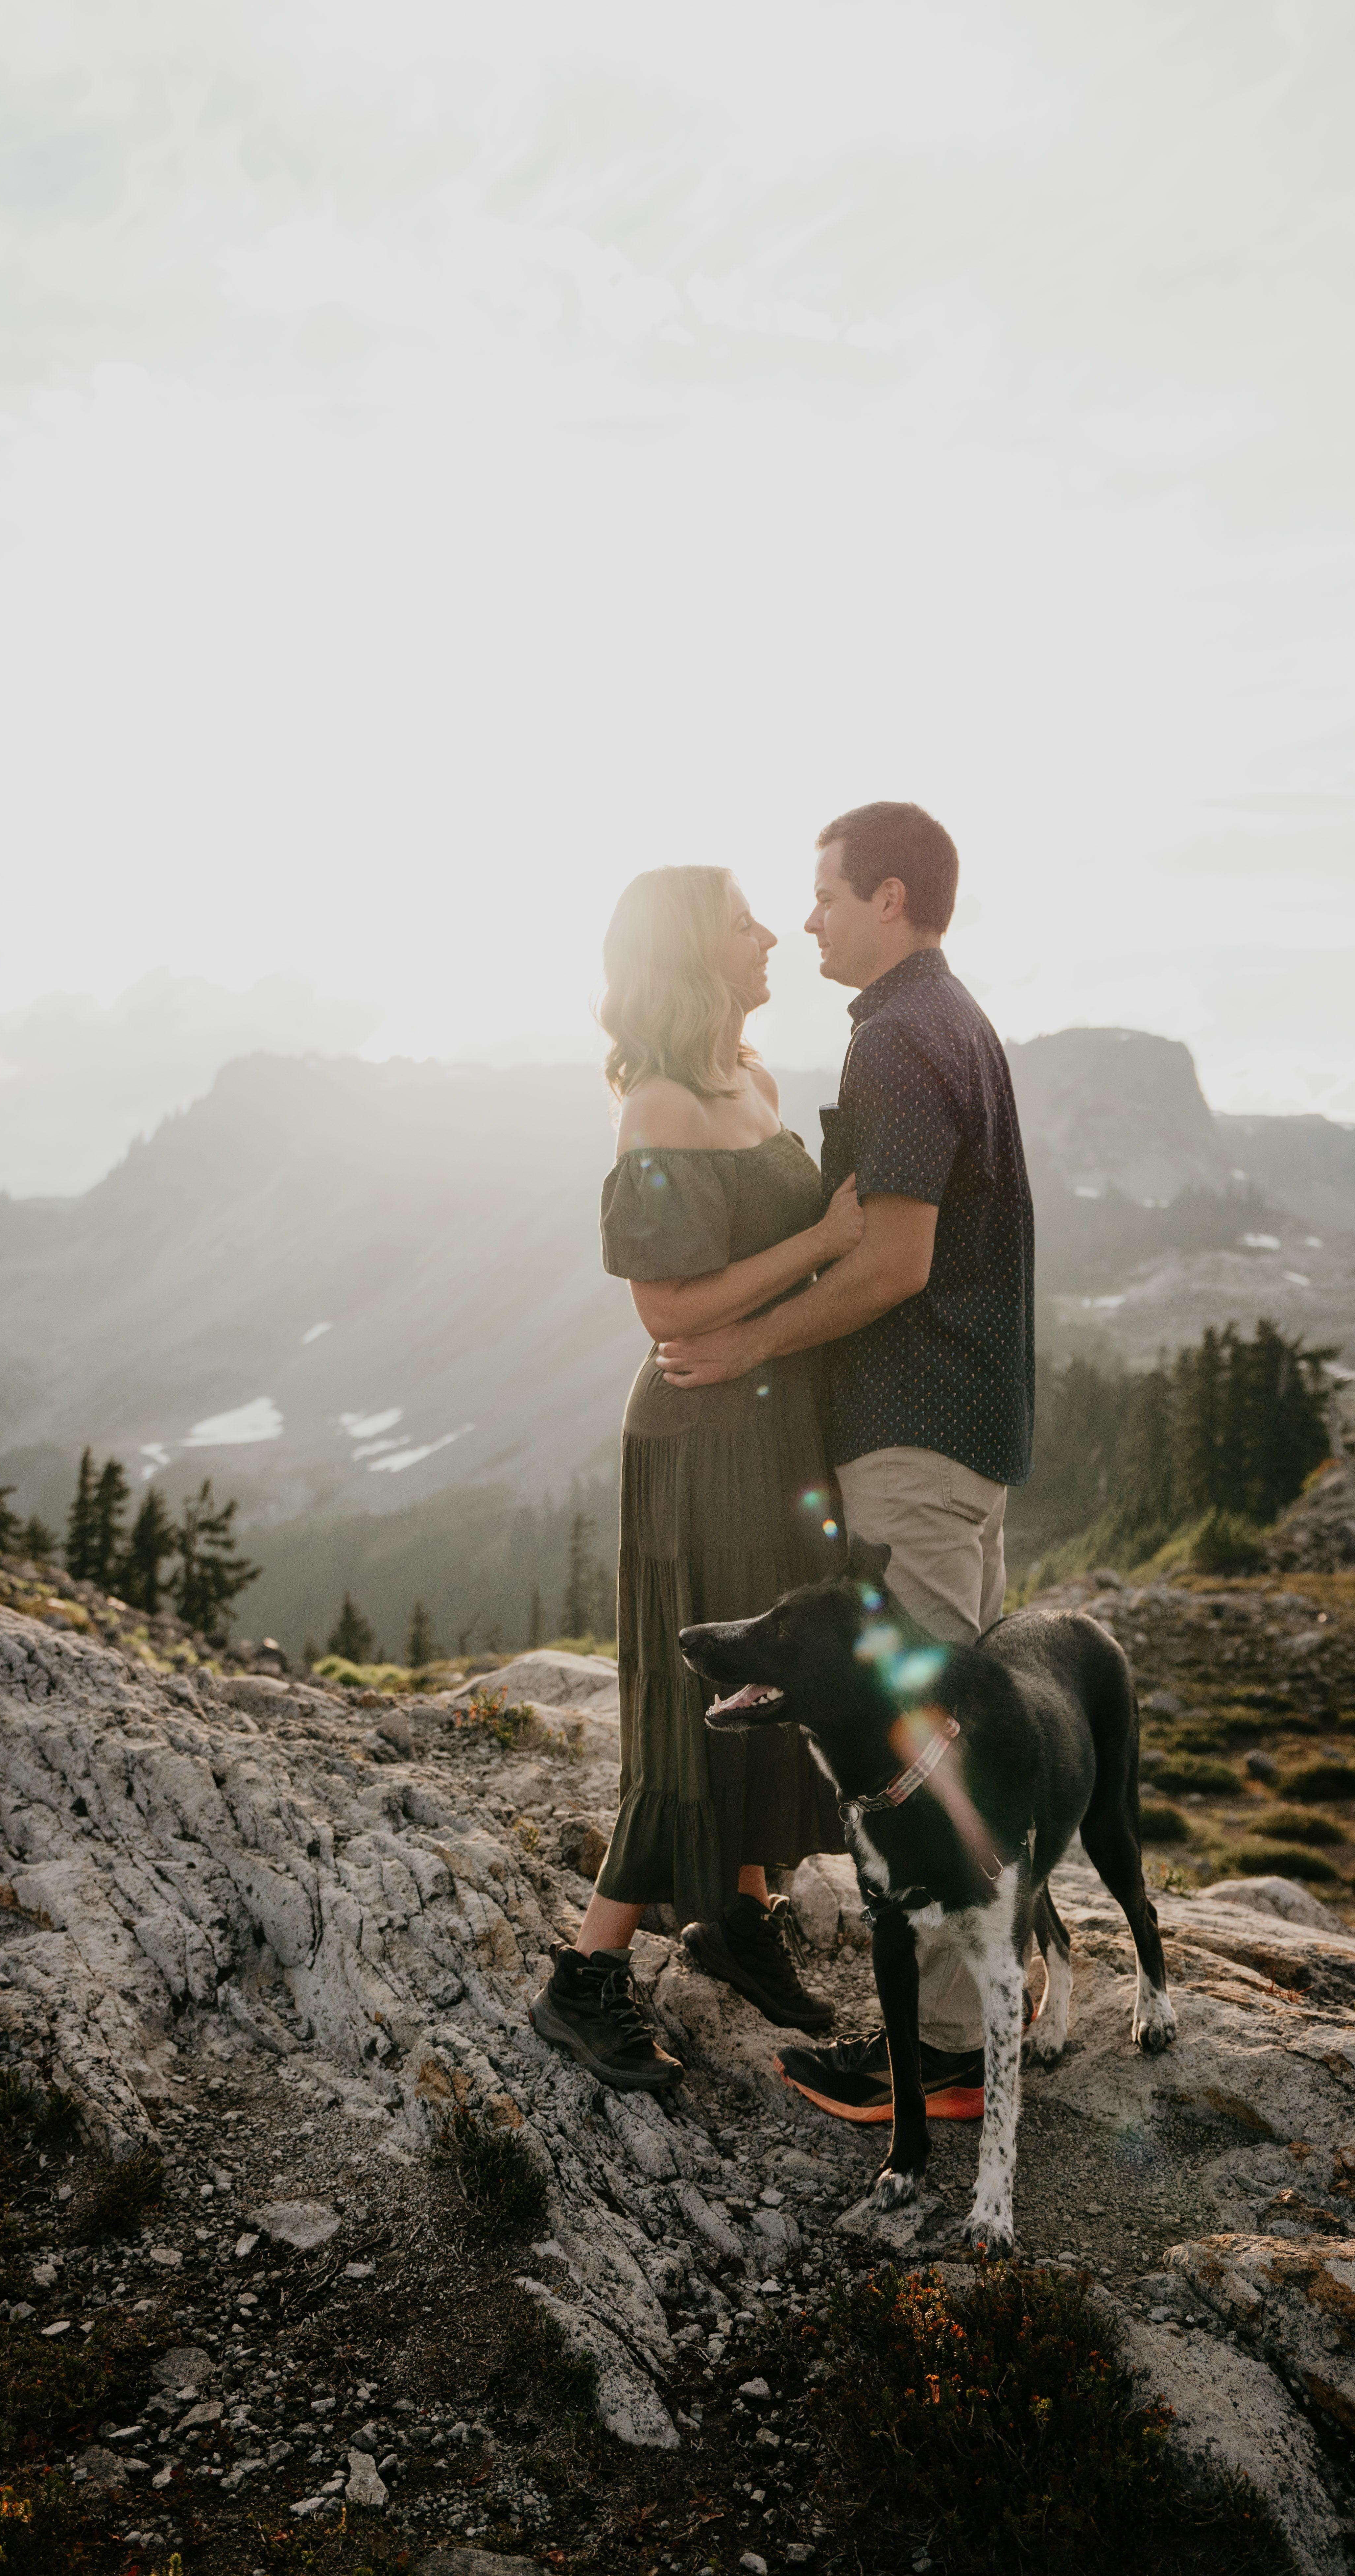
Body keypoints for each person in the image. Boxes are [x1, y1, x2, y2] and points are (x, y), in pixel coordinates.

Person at [654, 802, 1034, 2125]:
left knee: (915, 1755)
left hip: (914, 1440)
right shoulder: (957, 1017)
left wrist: (749, 1335)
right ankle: (989, 1999)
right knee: (965, 1739)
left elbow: (895, 1261)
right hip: (974, 1432)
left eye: (821, 895)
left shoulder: (895, 1040)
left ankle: (938, 2058)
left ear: (886, 897)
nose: (805, 918)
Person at [528, 865, 868, 2091]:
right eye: (740, 918)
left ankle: (735, 1917)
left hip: (775, 1435)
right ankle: (584, 1981)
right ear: (691, 951)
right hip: (696, 1438)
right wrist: (823, 1241)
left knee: (769, 1681)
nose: (769, 930)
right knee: (687, 1714)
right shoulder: (660, 1110)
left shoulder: (755, 1083)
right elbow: (662, 1307)